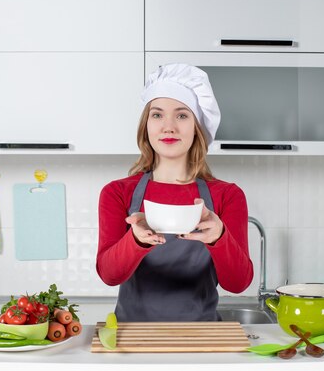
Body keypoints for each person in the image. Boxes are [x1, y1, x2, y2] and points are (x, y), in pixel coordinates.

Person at [96, 63, 253, 321]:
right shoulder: (117, 193)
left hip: (202, 339)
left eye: (181, 115)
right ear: (146, 125)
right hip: (133, 339)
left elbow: (238, 284)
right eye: (157, 115)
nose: (168, 127)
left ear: (197, 127)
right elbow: (109, 275)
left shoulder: (228, 196)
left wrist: (218, 236)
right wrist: (135, 240)